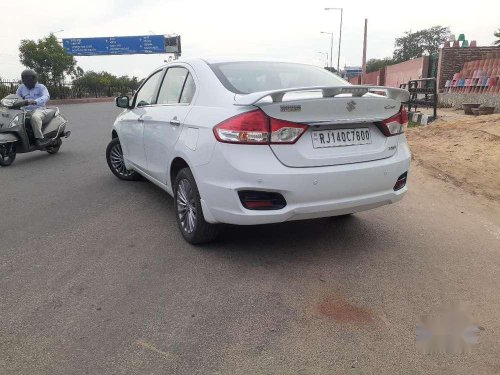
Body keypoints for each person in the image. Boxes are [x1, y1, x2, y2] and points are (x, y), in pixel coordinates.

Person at [15, 69, 52, 148]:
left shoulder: (41, 87)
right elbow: (16, 97)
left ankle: (39, 139)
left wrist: (36, 101)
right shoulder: (21, 87)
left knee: (35, 117)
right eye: (25, 79)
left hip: (39, 109)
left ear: (34, 78)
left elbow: (46, 96)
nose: (27, 81)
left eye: (29, 78)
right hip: (25, 110)